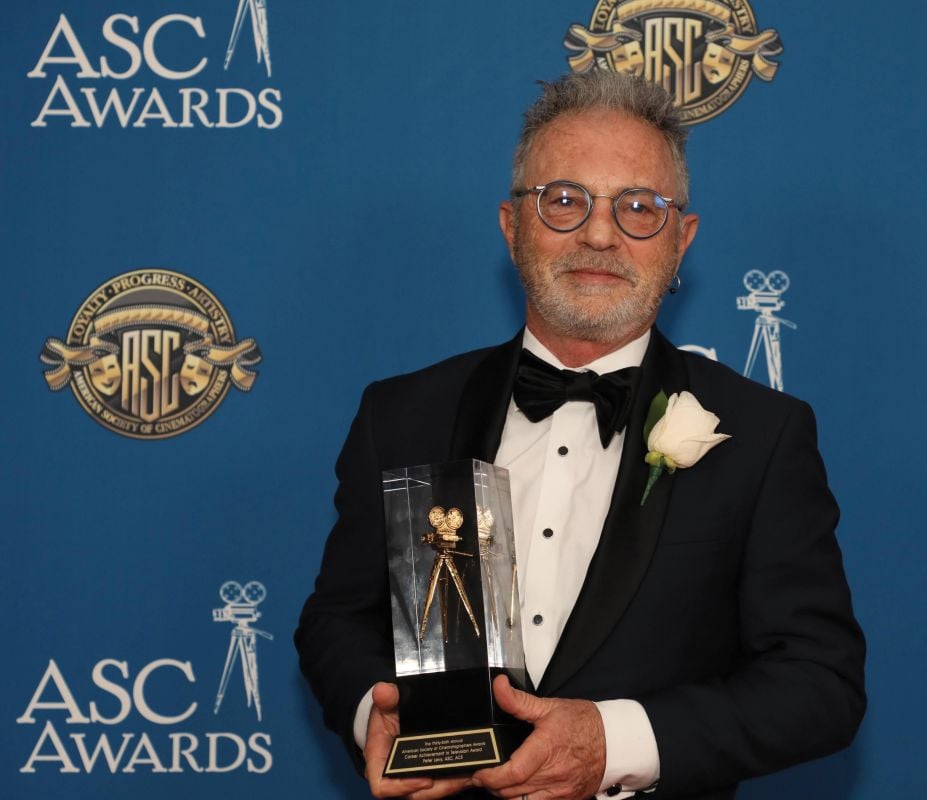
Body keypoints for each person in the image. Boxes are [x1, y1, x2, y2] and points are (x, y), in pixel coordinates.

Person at [295, 70, 866, 800]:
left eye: (639, 207)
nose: (600, 233)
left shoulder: (762, 435)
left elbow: (819, 685)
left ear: (682, 239)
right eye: (564, 201)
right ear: (511, 226)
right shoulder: (400, 414)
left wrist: (616, 743)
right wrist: (372, 714)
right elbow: (338, 620)